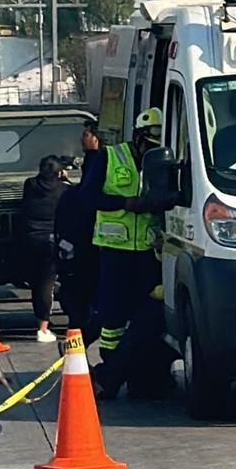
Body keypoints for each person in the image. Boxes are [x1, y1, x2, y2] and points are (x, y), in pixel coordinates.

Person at [80, 108, 164, 364]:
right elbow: (87, 197)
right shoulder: (110, 156)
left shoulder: (162, 162)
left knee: (144, 312)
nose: (151, 152)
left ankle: (137, 367)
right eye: (148, 145)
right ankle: (109, 359)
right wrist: (124, 203)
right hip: (115, 250)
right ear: (138, 139)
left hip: (149, 252)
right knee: (112, 311)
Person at [54, 121, 103, 340]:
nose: (82, 139)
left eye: (86, 134)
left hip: (94, 243)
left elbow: (89, 197)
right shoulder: (91, 164)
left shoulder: (99, 161)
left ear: (96, 137)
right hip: (88, 243)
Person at [20, 156, 70, 343]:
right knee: (50, 283)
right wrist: (65, 179)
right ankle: (44, 327)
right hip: (52, 241)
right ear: (59, 173)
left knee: (38, 283)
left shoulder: (30, 185)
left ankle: (41, 322)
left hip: (30, 239)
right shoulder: (63, 190)